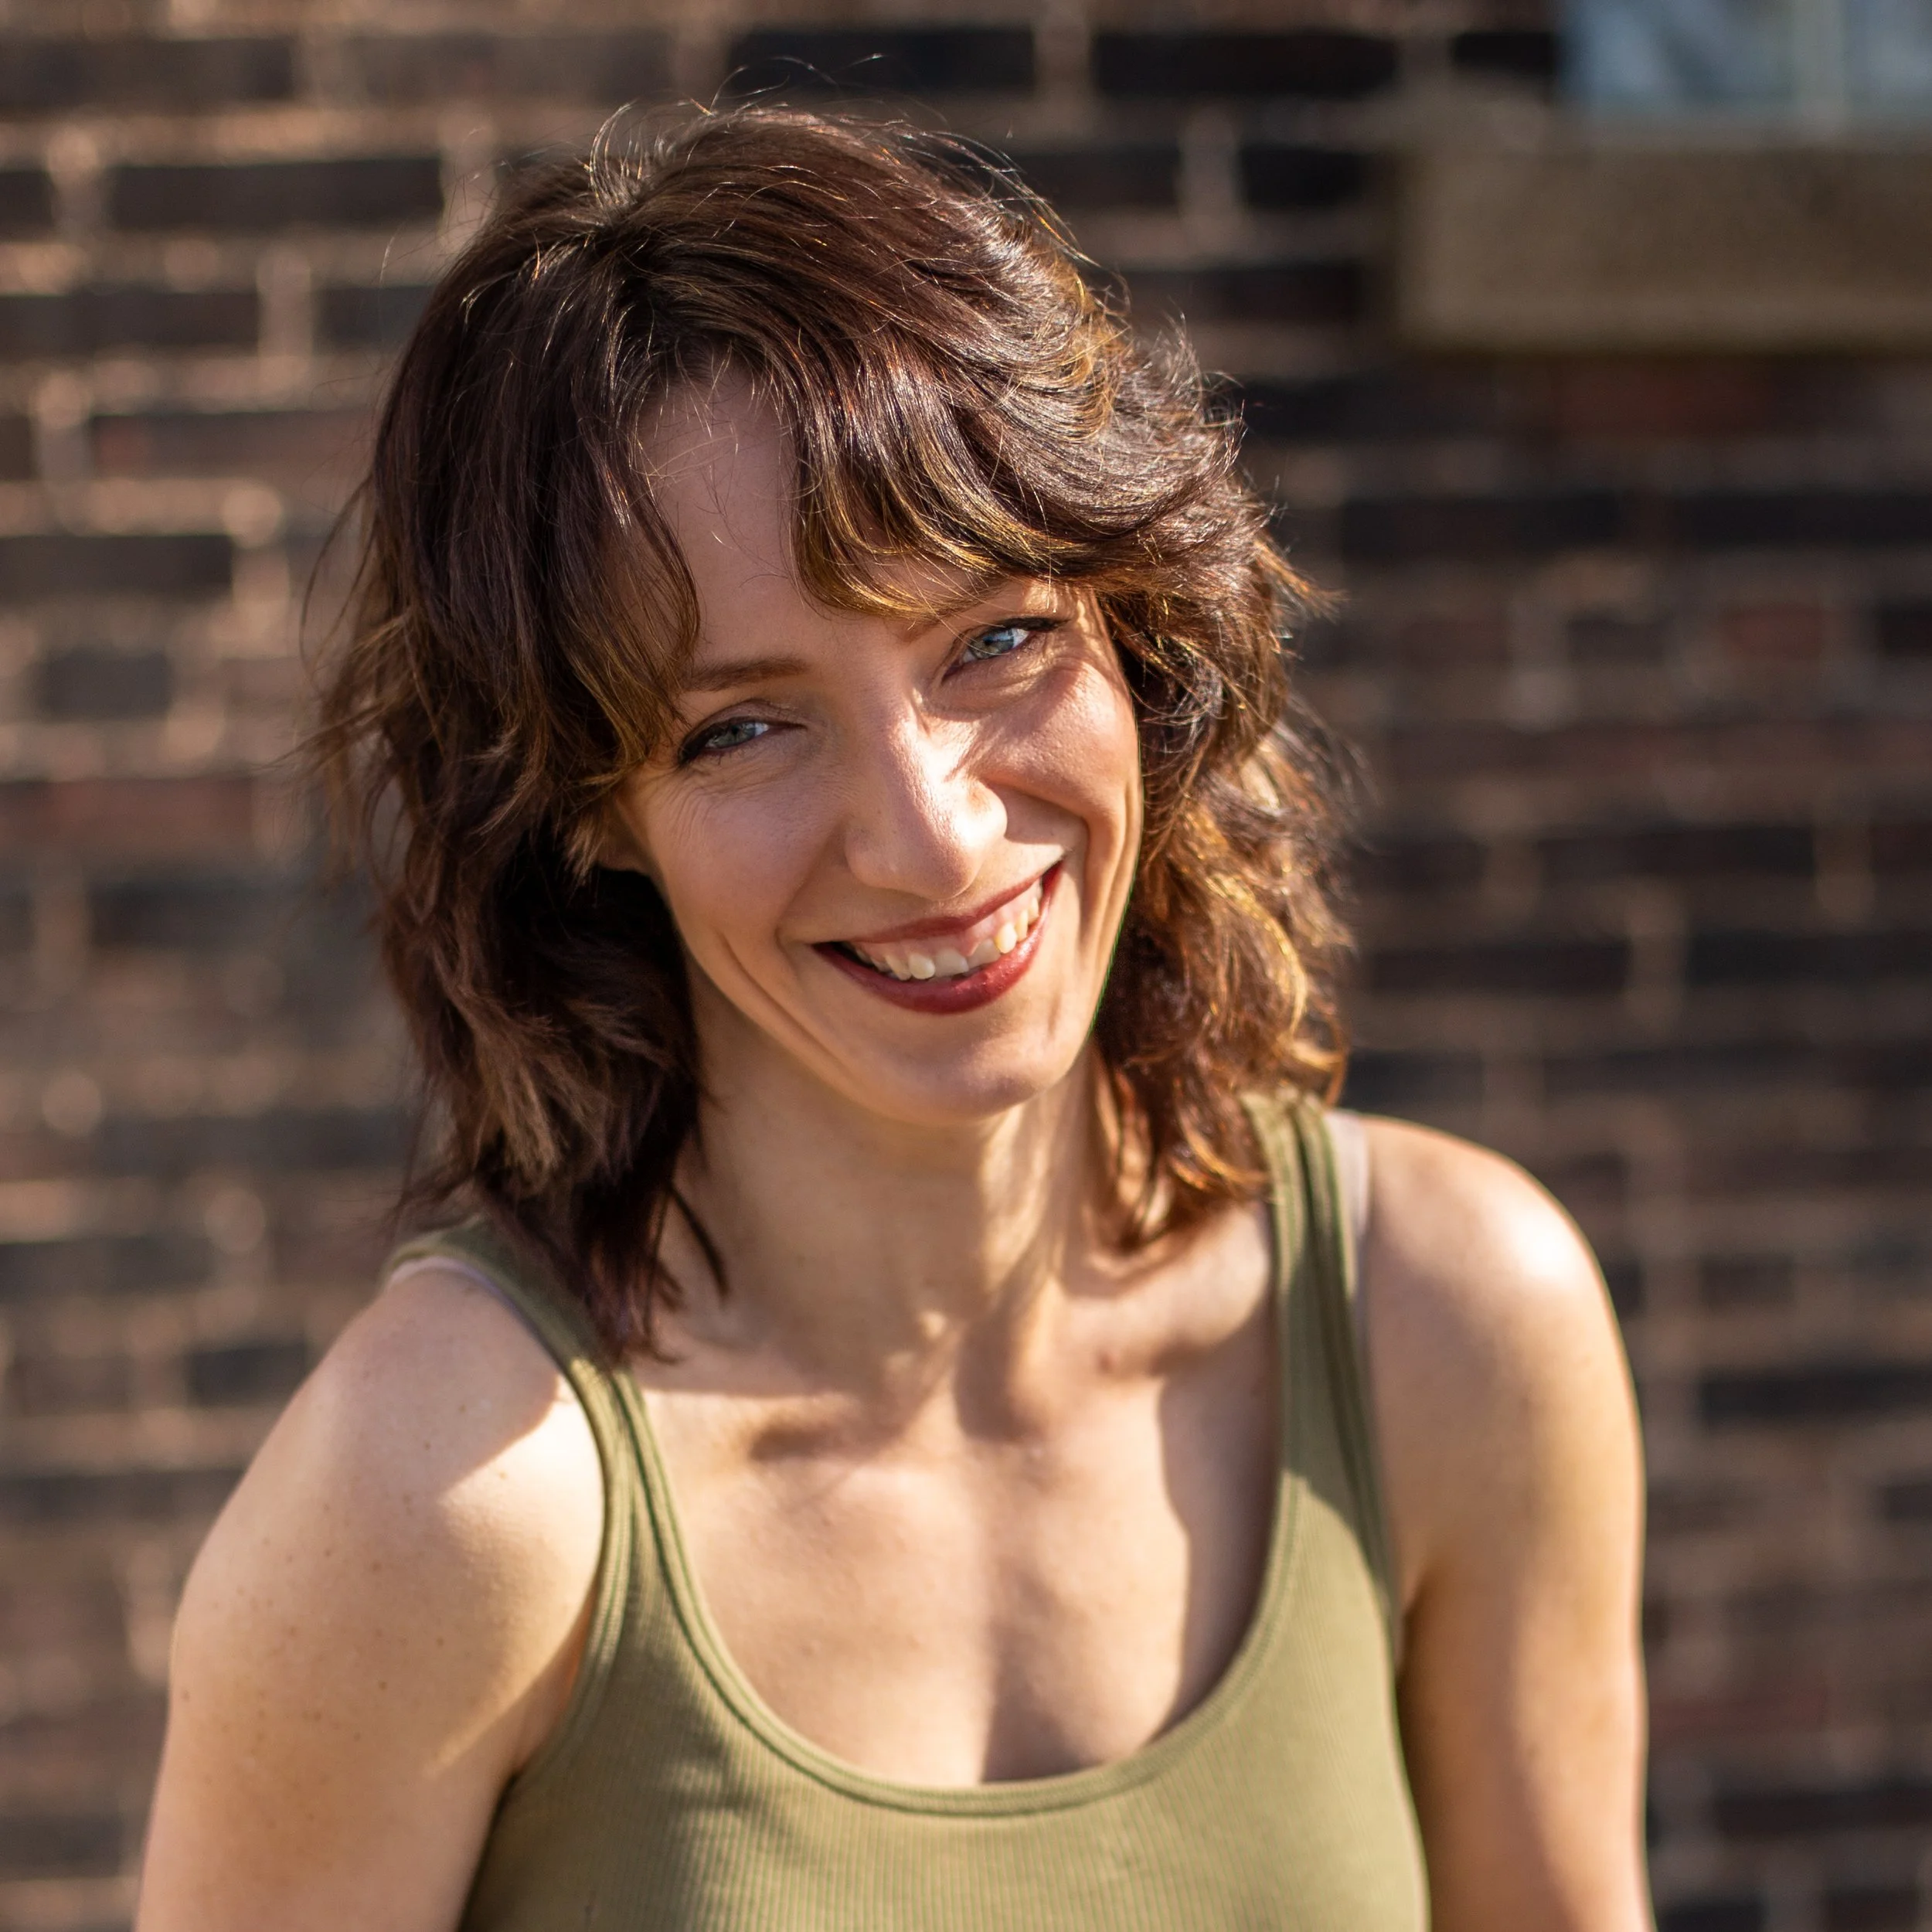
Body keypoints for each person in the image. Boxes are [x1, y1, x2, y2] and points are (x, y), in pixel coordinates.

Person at [135, 107, 1648, 1931]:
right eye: (742, 726)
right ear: (589, 808)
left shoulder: (1445, 1322)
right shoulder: (443, 1500)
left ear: (1136, 624)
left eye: (992, 639)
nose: (928, 831)